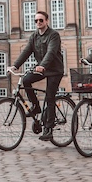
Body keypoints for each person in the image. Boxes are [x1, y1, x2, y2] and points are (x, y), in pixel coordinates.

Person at [8, 11, 64, 141]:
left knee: (50, 97)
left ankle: (48, 129)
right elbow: (26, 52)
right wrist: (15, 66)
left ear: (46, 21)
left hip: (55, 70)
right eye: (36, 21)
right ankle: (36, 106)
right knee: (26, 80)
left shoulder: (53, 35)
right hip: (42, 69)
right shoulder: (34, 36)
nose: (38, 23)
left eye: (41, 20)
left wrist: (43, 65)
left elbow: (51, 52)